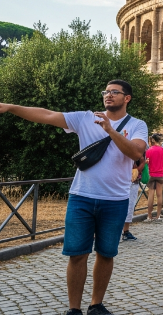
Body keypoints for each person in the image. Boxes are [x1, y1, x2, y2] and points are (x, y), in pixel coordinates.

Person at [0, 80, 148, 315]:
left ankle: (96, 305)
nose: (108, 95)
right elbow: (47, 115)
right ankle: (74, 309)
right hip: (82, 197)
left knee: (106, 254)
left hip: (115, 200)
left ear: (127, 98)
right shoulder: (85, 118)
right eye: (106, 92)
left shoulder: (138, 125)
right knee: (77, 254)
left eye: (114, 92)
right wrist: (10, 107)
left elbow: (136, 152)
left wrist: (110, 130)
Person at [144, 133, 163, 221]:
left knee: (151, 195)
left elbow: (146, 162)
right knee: (159, 195)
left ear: (153, 140)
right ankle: (158, 216)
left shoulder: (149, 150)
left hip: (151, 174)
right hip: (161, 174)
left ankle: (149, 216)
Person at [122, 156, 146, 242]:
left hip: (132, 181)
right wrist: (142, 163)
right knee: (126, 206)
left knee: (130, 207)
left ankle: (126, 231)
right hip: (125, 180)